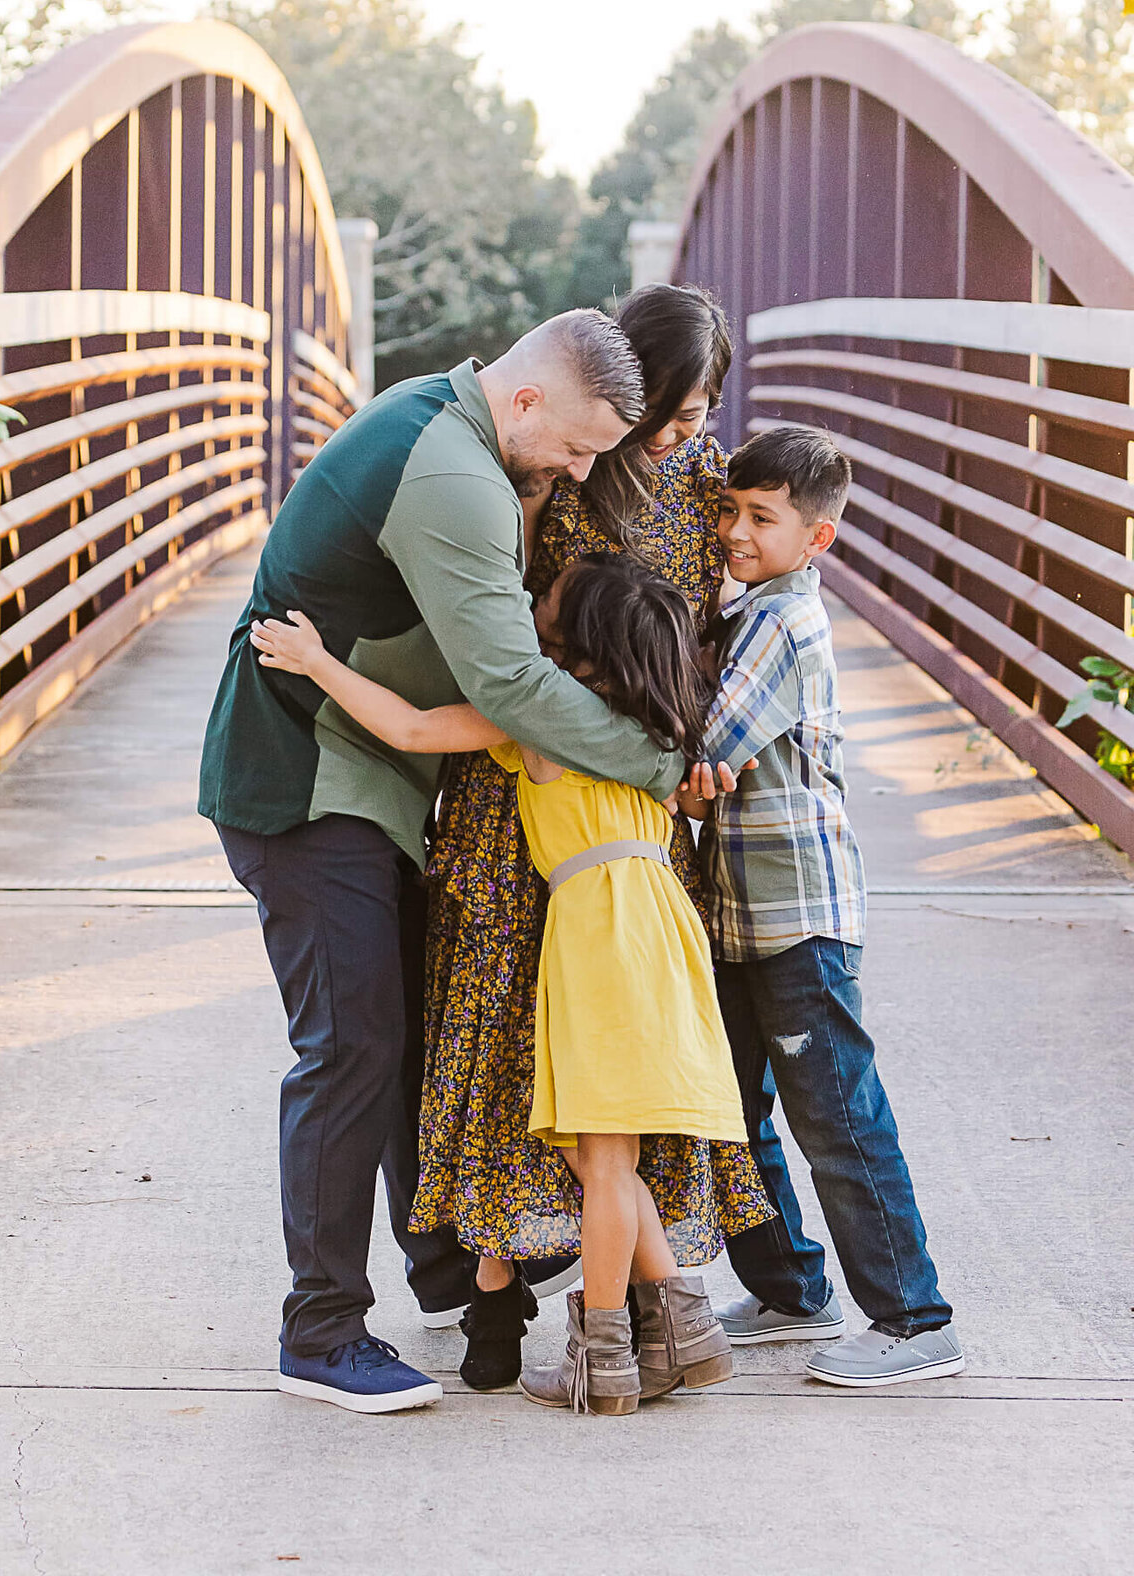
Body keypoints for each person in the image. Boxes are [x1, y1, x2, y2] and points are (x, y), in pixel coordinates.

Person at [198, 310, 688, 1415]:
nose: (577, 472)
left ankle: (443, 1261)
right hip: (305, 782)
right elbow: (510, 686)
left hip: (364, 786)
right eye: (574, 447)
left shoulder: (452, 422)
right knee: (351, 1049)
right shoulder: (455, 477)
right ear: (524, 400)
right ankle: (320, 1332)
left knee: (402, 1032)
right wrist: (653, 757)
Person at [250, 553, 763, 1415]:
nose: (534, 606)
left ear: (580, 648)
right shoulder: (658, 727)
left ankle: (604, 1360)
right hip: (664, 925)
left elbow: (411, 729)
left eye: (548, 605)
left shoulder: (542, 716)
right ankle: (684, 1330)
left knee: (598, 1155)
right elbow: (704, 798)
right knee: (607, 1151)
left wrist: (317, 663)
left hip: (596, 931)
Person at [413, 285, 770, 1392]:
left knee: (609, 1063)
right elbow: (492, 604)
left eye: (698, 413)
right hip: (522, 779)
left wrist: (726, 733)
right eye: (668, 407)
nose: (676, 432)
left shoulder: (711, 489)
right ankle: (493, 1298)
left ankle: (648, 1316)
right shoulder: (553, 467)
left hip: (629, 808)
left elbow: (774, 574)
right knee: (496, 1031)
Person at [688, 423, 964, 1388]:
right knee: (735, 1112)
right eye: (729, 510)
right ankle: (791, 1289)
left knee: (838, 1120)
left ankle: (914, 1318)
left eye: (762, 518)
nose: (734, 532)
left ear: (818, 539)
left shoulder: (781, 622)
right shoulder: (751, 605)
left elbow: (707, 753)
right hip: (740, 915)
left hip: (796, 920)